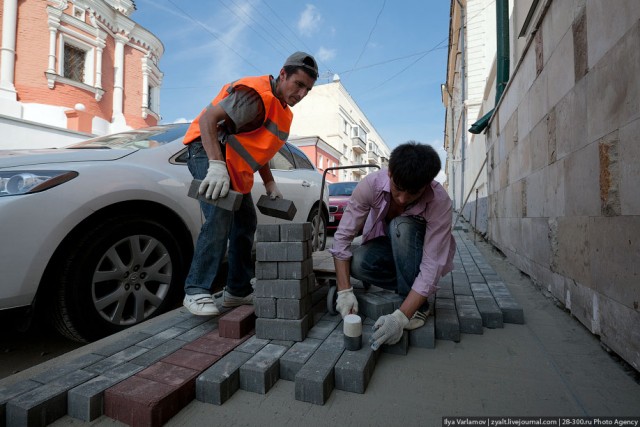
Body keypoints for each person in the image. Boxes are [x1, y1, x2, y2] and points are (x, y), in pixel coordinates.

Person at [182, 52, 319, 316]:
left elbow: (258, 150)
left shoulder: (280, 111)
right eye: (298, 84)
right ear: (283, 74)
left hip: (231, 161)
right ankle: (196, 290)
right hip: (206, 150)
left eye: (308, 90)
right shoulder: (256, 95)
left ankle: (237, 291)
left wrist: (269, 183)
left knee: (245, 222)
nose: (301, 94)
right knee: (220, 215)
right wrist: (216, 166)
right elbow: (208, 120)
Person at [329, 142, 456, 350]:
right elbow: (343, 238)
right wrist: (344, 292)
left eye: (413, 193)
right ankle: (413, 290)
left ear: (428, 184)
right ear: (389, 174)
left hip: (418, 253)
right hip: (389, 248)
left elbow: (432, 264)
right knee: (358, 262)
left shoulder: (439, 202)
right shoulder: (370, 185)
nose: (402, 198)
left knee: (401, 225)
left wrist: (400, 318)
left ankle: (417, 306)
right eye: (398, 189)